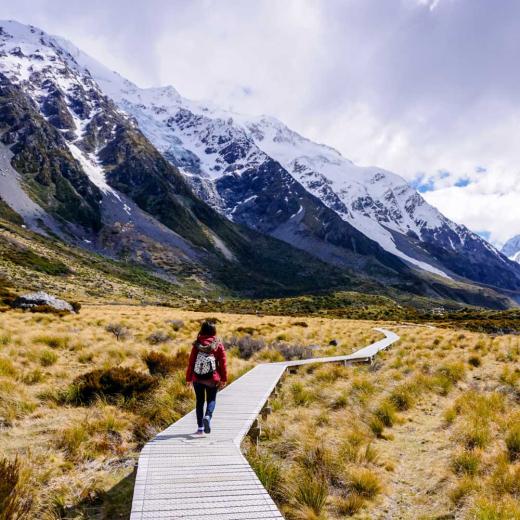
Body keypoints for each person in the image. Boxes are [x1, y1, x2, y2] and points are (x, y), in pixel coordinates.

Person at [186, 320, 227, 435]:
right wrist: (223, 378)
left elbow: (191, 362)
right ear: (214, 331)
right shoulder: (217, 344)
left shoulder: (197, 344)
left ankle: (200, 428)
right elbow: (223, 363)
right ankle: (208, 417)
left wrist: (188, 378)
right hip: (212, 378)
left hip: (197, 378)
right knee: (211, 399)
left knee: (199, 401)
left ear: (202, 330)